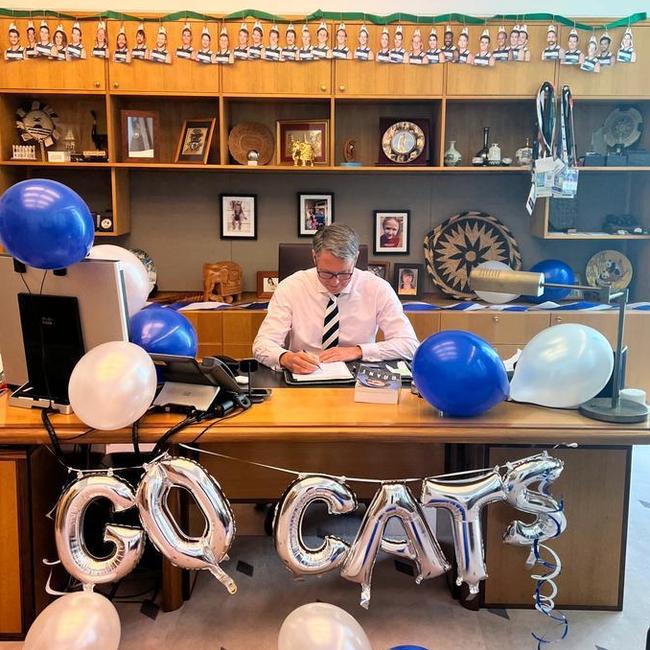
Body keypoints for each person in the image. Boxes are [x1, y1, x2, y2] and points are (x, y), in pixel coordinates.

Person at [252, 224, 419, 373]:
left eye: (345, 273)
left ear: (355, 258)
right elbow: (262, 344)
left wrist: (359, 351)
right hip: (305, 375)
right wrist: (284, 357)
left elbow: (409, 345)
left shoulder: (377, 288)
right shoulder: (291, 287)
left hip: (360, 377)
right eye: (326, 273)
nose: (335, 282)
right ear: (314, 257)